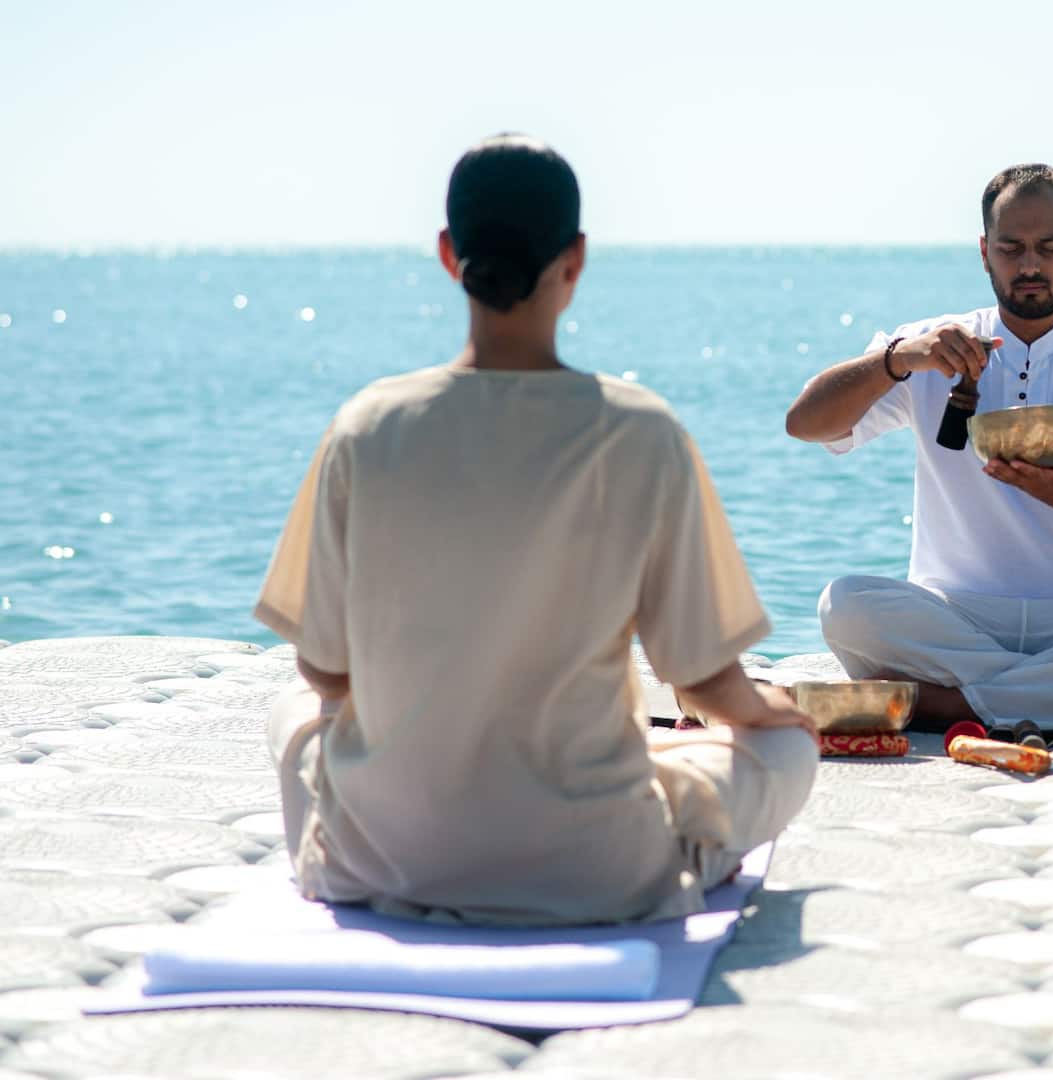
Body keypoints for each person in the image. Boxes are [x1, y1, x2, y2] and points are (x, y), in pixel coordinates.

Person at [255, 134, 817, 925]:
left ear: (451, 256)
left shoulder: (366, 427)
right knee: (786, 751)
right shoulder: (639, 431)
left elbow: (326, 676)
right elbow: (704, 685)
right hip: (593, 871)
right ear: (575, 259)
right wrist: (780, 711)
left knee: (290, 715)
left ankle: (355, 846)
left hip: (388, 861)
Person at [785, 163, 1053, 733]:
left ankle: (957, 705)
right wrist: (897, 360)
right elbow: (806, 424)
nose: (1029, 265)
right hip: (953, 616)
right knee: (845, 604)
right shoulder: (929, 347)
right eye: (1011, 248)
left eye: (1048, 247)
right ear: (984, 252)